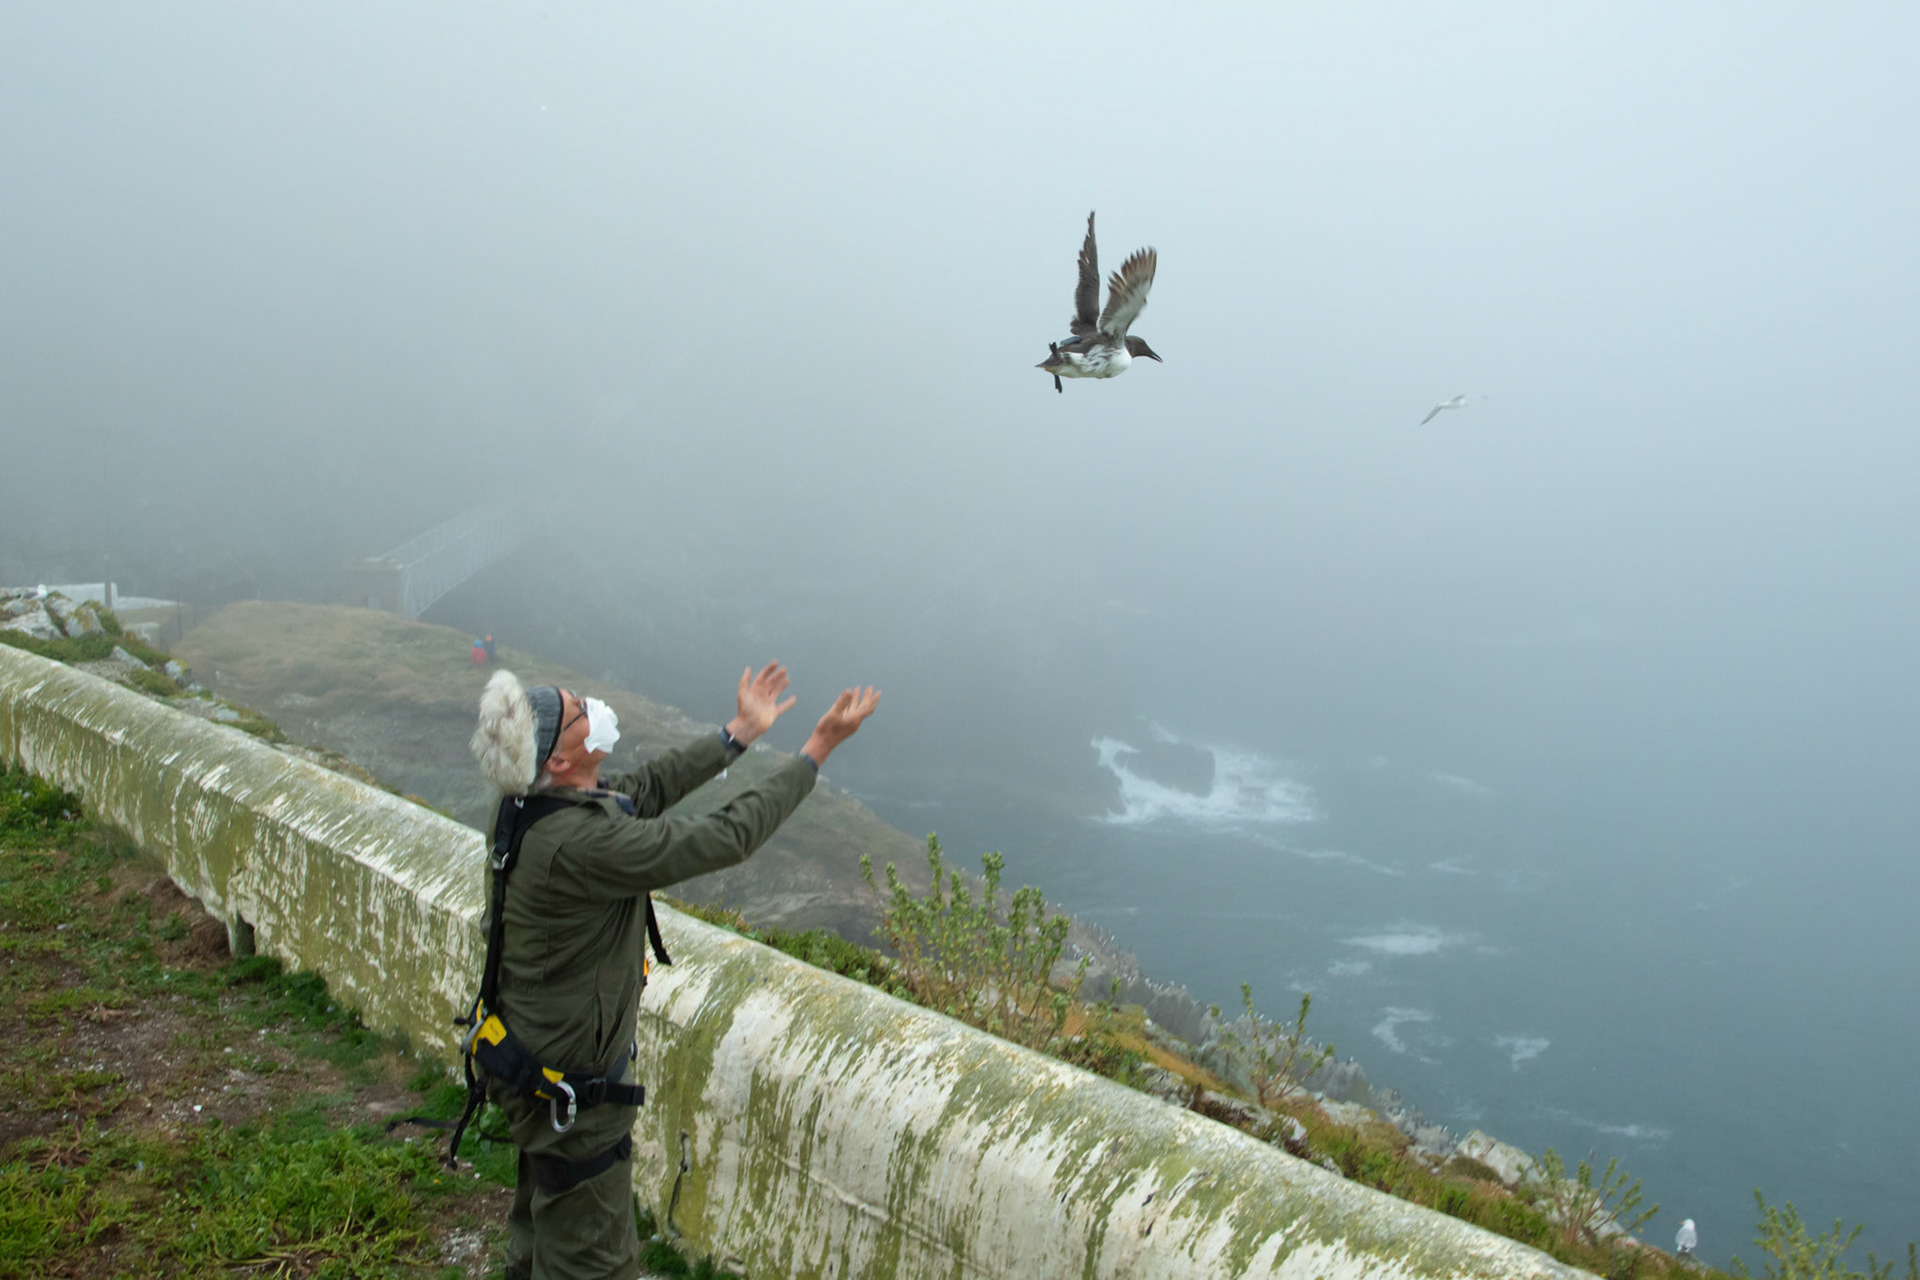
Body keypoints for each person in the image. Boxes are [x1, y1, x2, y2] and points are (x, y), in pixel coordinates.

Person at [468, 662, 879, 1280]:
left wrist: (739, 731)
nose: (593, 709)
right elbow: (726, 836)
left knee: (542, 1224)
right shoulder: (578, 845)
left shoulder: (535, 808)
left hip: (528, 1064)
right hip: (569, 1091)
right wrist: (816, 750)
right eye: (580, 712)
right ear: (556, 760)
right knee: (593, 1258)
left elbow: (649, 787)